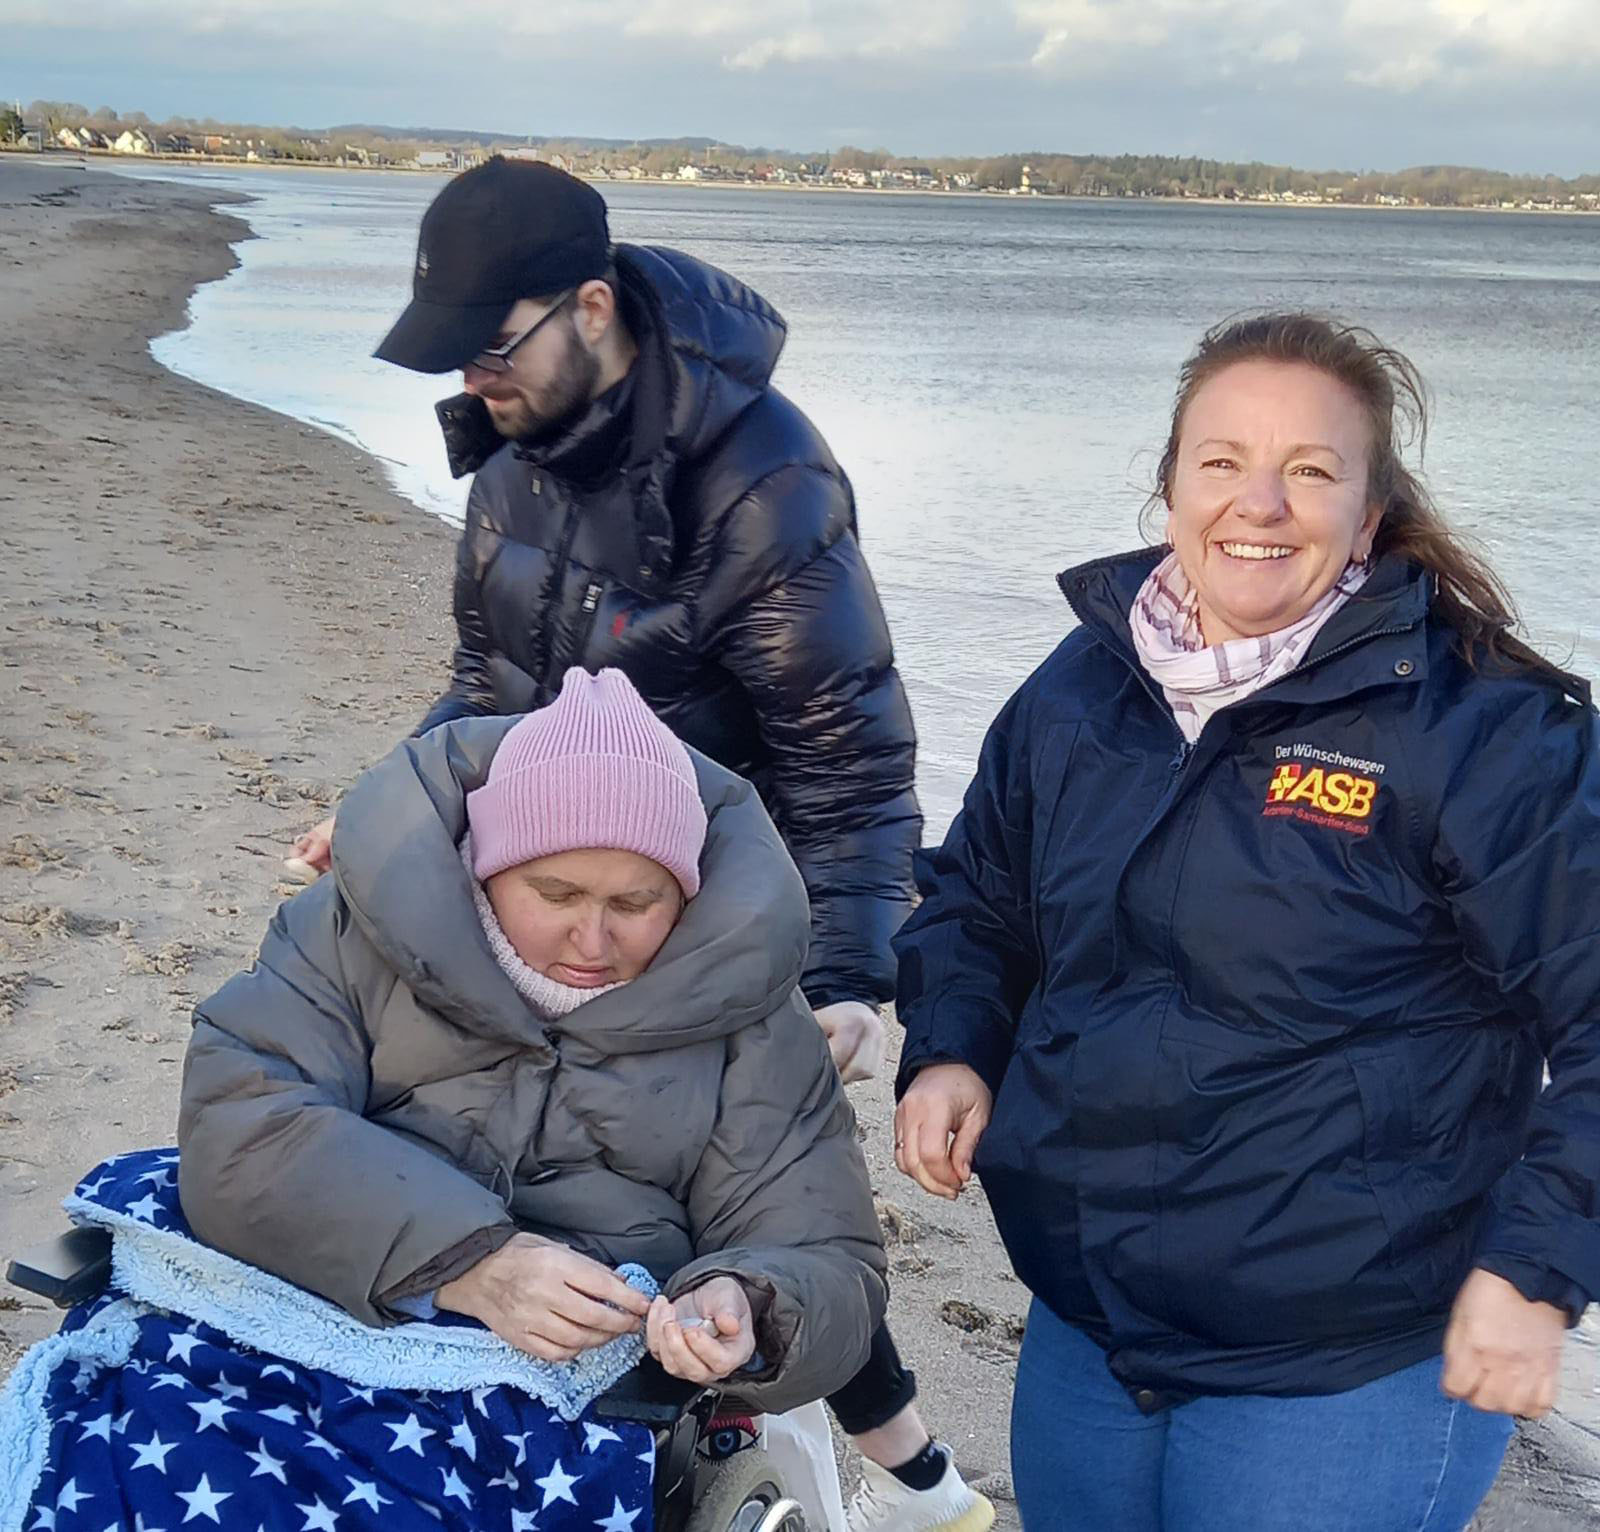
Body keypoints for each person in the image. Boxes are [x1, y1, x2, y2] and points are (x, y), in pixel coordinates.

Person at [294, 157, 989, 1531]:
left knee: (745, 1205)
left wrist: (847, 974)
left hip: (713, 906)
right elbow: (486, 689)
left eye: (494, 348)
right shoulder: (513, 455)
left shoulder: (764, 478)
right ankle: (908, 1479)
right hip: (547, 878)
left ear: (594, 308)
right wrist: (385, 808)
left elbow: (849, 753)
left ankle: (910, 1480)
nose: (474, 381)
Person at [892, 313, 1599, 1531]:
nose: (1258, 503)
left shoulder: (1486, 732)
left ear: (1368, 517)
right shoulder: (1084, 683)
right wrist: (954, 1044)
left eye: (1310, 469)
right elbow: (980, 895)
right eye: (1221, 461)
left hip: (1348, 1354)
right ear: (1170, 486)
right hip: (1089, 1318)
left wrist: (1535, 1272)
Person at [184, 668, 884, 1408]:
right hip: (332, 1290)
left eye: (637, 904)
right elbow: (240, 1116)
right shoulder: (349, 931)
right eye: (555, 895)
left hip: (591, 1374)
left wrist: (747, 1301)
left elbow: (828, 1254)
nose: (592, 939)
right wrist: (469, 1263)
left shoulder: (756, 1016)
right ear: (484, 868)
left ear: (689, 894)